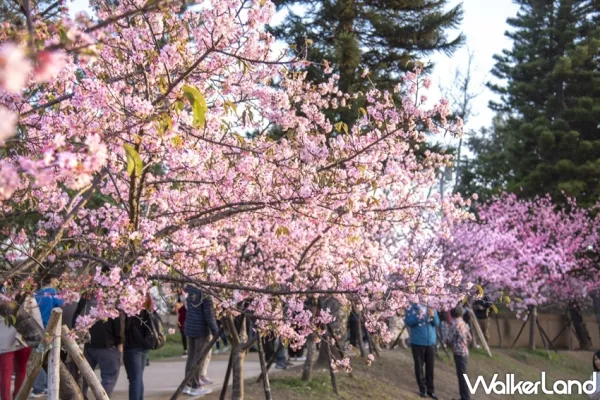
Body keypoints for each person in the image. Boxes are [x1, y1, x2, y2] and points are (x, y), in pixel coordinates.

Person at [73, 294, 124, 398]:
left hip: (87, 344)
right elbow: (118, 322)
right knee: (109, 378)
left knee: (83, 377)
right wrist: (120, 341)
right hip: (107, 344)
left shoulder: (86, 297)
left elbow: (75, 319)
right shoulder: (112, 297)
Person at [0, 294, 42, 400]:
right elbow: (37, 318)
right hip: (23, 338)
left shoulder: (3, 298)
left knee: (5, 373)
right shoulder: (29, 298)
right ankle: (18, 397)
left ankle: (6, 398)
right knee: (21, 370)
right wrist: (41, 337)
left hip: (4, 340)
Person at [32, 272, 64, 398]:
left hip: (36, 329)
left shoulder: (36, 294)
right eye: (57, 278)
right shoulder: (53, 294)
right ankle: (44, 386)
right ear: (52, 279)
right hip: (50, 330)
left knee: (39, 357)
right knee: (50, 358)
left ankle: (38, 388)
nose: (59, 281)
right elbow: (62, 306)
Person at [182, 285, 218, 397]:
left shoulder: (189, 288)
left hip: (190, 326)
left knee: (192, 356)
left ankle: (187, 384)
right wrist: (215, 331)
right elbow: (209, 315)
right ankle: (195, 386)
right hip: (201, 330)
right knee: (199, 359)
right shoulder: (205, 292)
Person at [405, 303, 440, 399]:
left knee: (430, 367)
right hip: (418, 341)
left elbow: (437, 323)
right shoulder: (412, 307)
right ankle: (422, 389)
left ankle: (431, 390)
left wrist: (433, 316)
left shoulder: (432, 306)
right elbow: (408, 322)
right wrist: (418, 316)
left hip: (431, 342)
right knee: (419, 366)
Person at [123, 293, 154, 400]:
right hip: (144, 346)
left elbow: (126, 328)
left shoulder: (131, 312)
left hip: (132, 347)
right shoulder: (147, 310)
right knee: (138, 377)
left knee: (134, 378)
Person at [446, 306, 472, 400]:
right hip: (465, 351)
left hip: (458, 351)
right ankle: (464, 396)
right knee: (463, 374)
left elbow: (449, 338)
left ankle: (465, 396)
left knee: (461, 375)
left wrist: (449, 343)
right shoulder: (464, 323)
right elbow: (470, 337)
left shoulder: (454, 323)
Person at [175, 288, 188, 358]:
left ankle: (189, 349)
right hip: (182, 318)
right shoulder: (179, 298)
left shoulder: (186, 296)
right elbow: (178, 310)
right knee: (183, 334)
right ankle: (185, 350)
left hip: (187, 316)